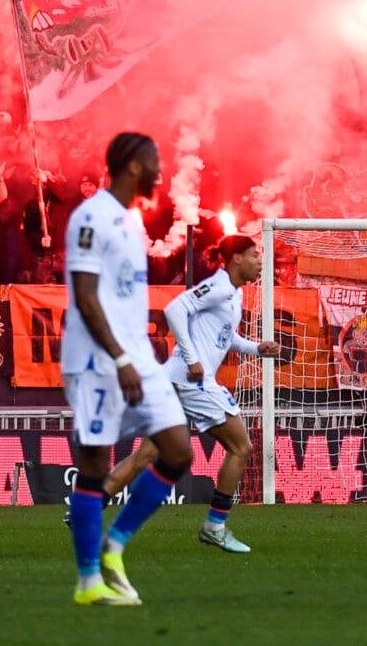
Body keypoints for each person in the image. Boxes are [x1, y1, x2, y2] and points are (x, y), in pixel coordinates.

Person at [60, 131, 190, 608]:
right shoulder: (90, 217)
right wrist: (117, 357)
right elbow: (86, 296)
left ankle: (115, 545)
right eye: (155, 162)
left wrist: (135, 355)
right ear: (134, 165)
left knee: (177, 451)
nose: (161, 171)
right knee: (95, 464)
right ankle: (88, 580)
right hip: (97, 361)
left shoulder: (131, 221)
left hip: (136, 357)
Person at [103, 232, 286, 554]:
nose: (261, 261)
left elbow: (225, 339)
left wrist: (258, 348)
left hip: (174, 382)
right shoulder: (218, 286)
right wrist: (192, 358)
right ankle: (215, 526)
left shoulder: (233, 293)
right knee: (241, 447)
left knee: (146, 456)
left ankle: (88, 506)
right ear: (236, 259)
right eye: (255, 255)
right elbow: (175, 309)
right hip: (192, 382)